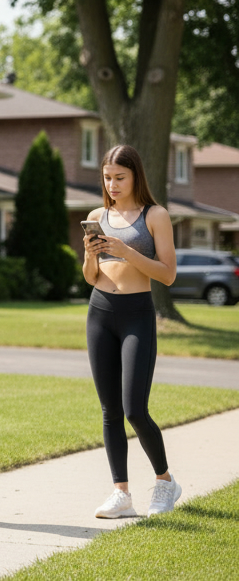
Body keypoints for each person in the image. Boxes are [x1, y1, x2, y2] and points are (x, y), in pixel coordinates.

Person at [81, 144, 181, 519]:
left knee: (134, 409)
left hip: (137, 314)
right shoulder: (96, 215)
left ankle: (165, 481)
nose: (112, 184)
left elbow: (167, 274)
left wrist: (126, 251)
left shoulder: (155, 215)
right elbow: (90, 276)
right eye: (107, 178)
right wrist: (92, 255)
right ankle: (120, 492)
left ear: (136, 175)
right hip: (99, 313)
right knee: (109, 411)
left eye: (120, 177)